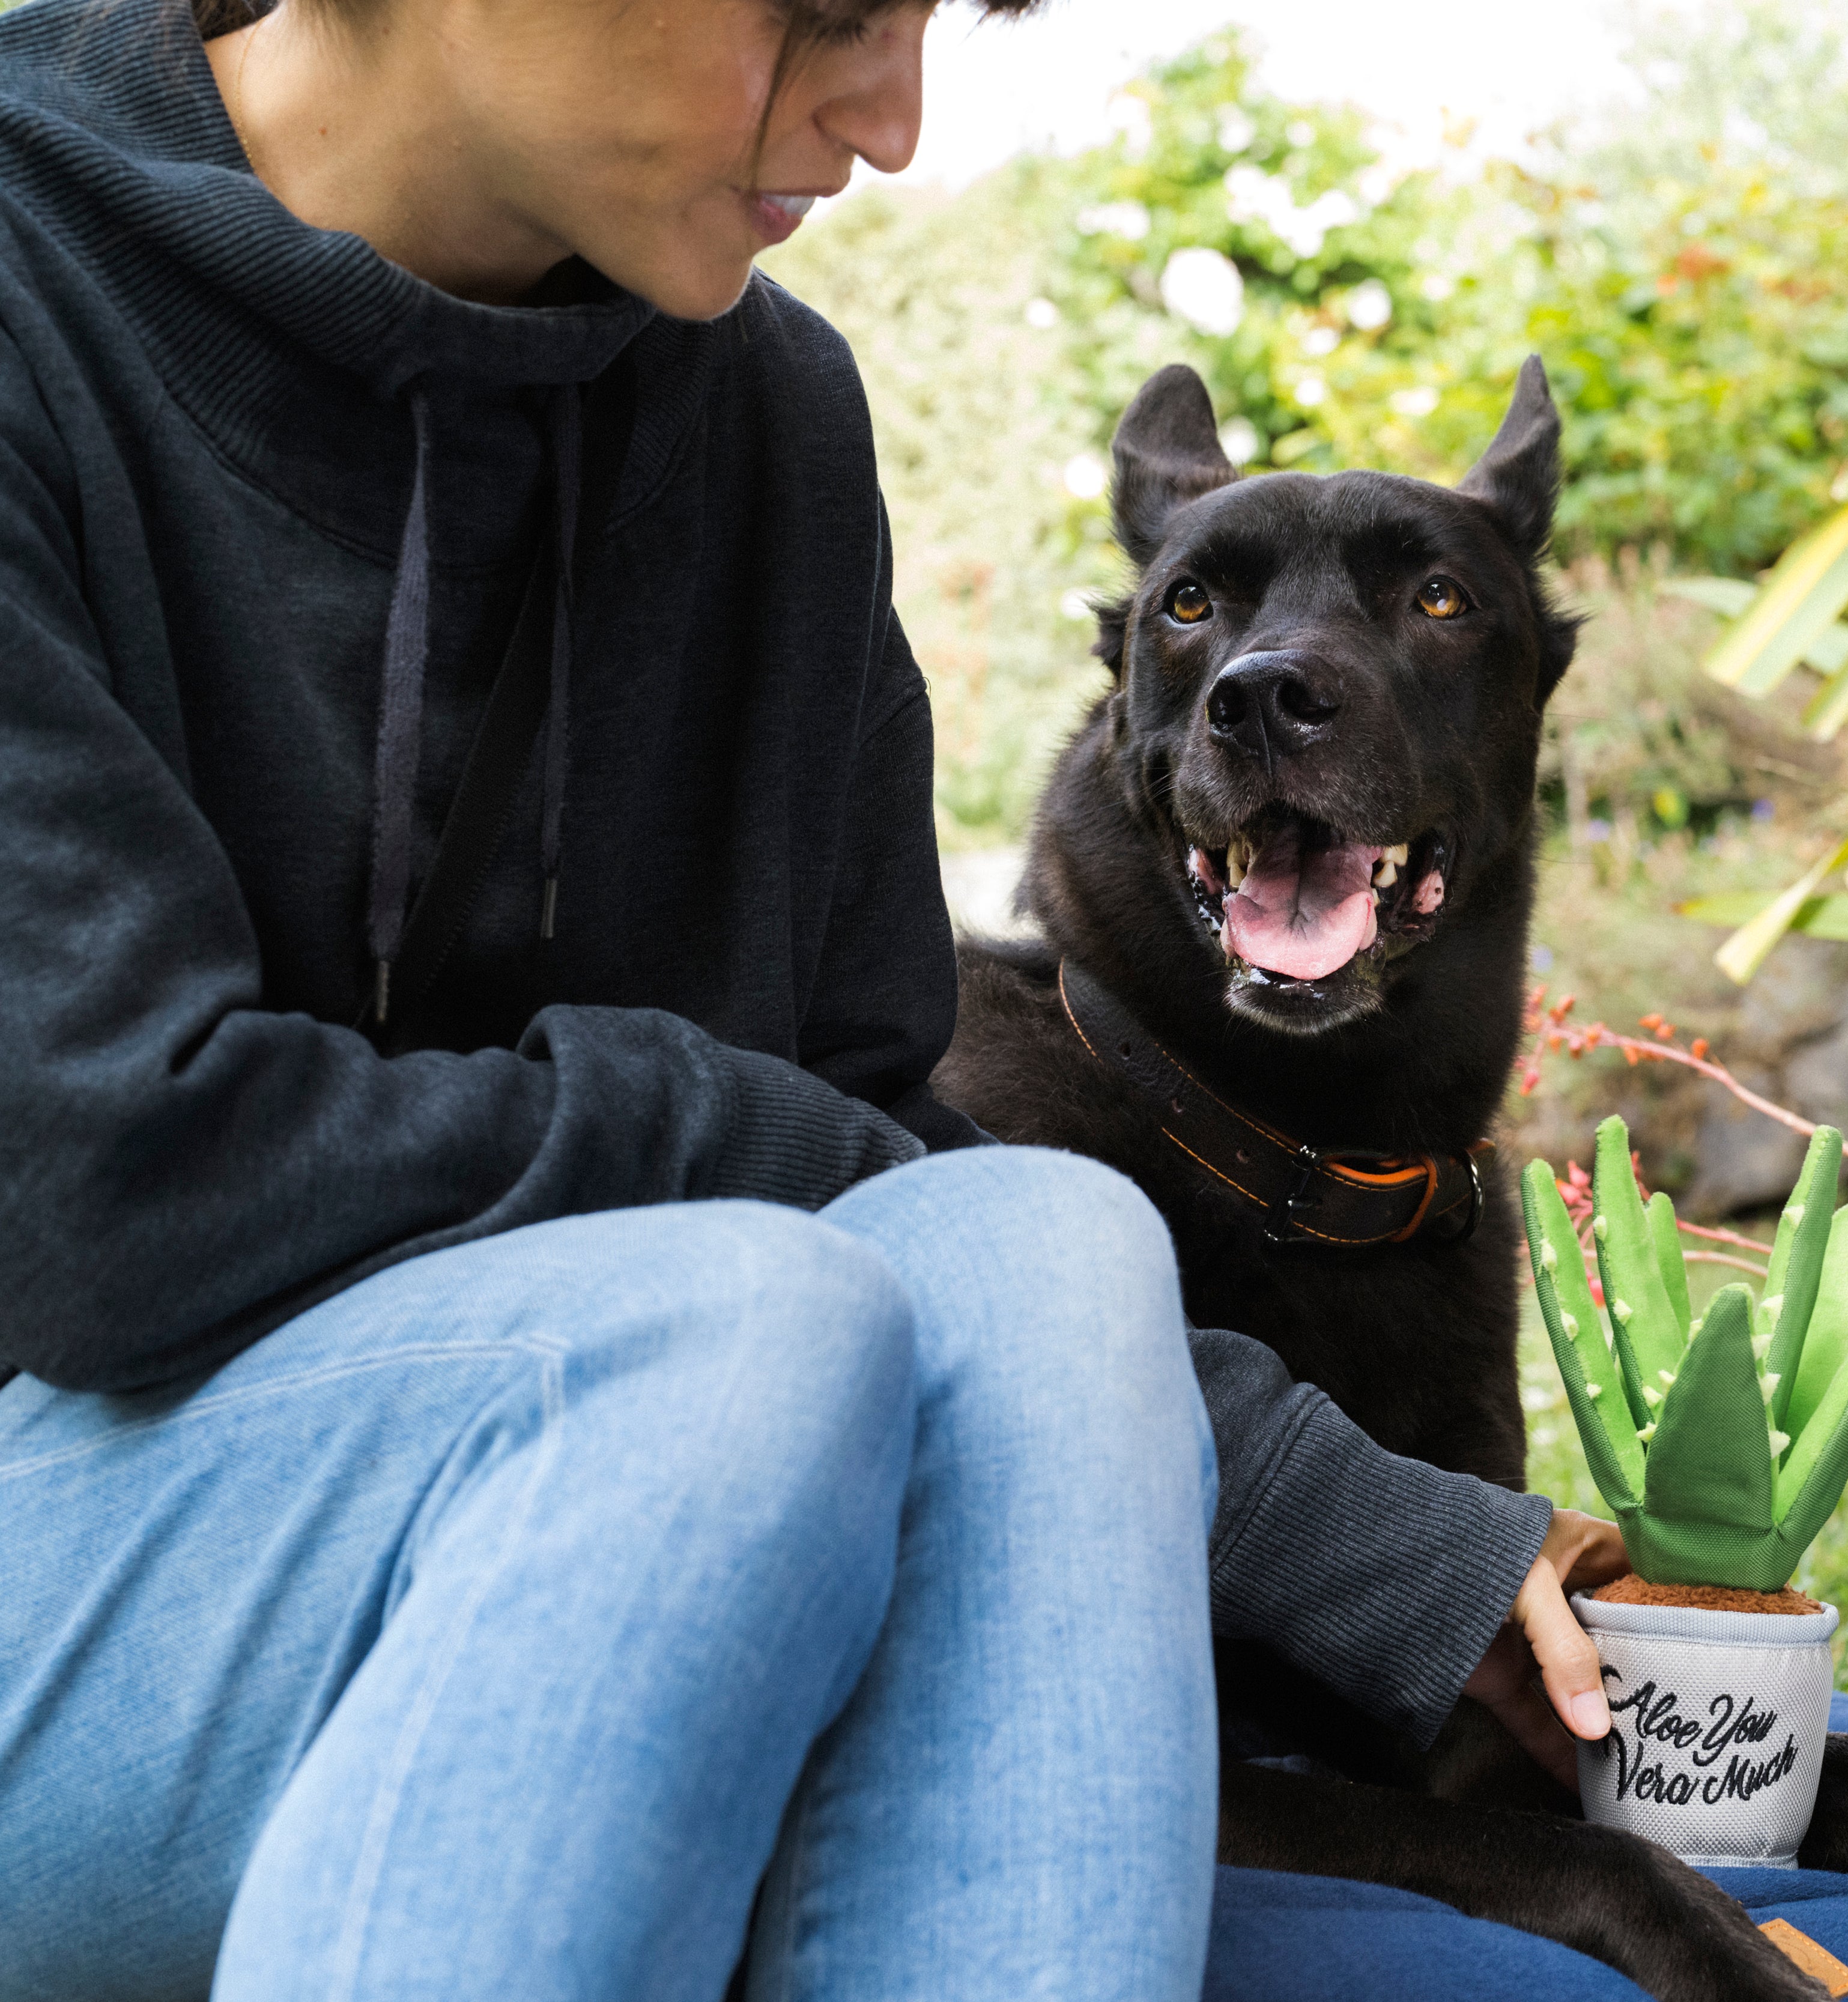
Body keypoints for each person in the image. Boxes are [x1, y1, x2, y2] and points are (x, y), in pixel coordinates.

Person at [0, 0, 1620, 1994]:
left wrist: (1361, 1533)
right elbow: (105, 1185)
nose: (896, 119)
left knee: (1039, 1229)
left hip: (571, 1527)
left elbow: (912, 1181)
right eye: (831, 10)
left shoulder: (763, 421)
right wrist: (717, 1140)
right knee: (745, 1308)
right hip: (60, 1578)